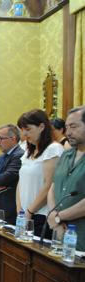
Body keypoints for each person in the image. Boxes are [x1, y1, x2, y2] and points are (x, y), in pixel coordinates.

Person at [16, 109, 64, 238]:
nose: (24, 133)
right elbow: (20, 182)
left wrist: (30, 211)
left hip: (41, 215)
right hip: (25, 214)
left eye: (28, 129)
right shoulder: (28, 151)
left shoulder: (53, 149)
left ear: (41, 127)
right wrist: (20, 211)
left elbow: (49, 185)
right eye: (22, 129)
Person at [47, 106, 85, 251]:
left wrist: (59, 217)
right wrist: (53, 217)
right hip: (59, 235)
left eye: (74, 127)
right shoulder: (66, 155)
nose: (68, 132)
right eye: (67, 127)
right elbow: (53, 186)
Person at [0, 124, 25, 224]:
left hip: (10, 209)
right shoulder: (0, 158)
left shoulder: (19, 155)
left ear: (13, 139)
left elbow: (7, 177)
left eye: (1, 138)